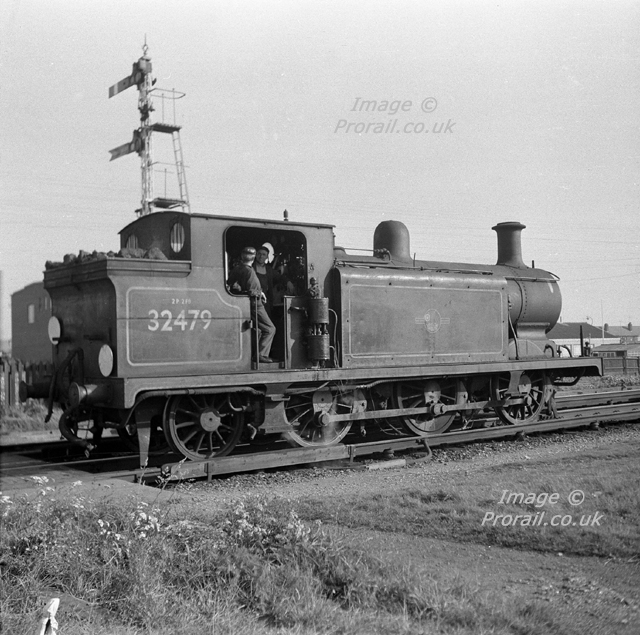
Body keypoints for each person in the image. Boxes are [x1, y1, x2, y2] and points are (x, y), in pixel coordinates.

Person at [227, 247, 276, 363]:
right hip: (256, 304)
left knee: (258, 330)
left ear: (242, 256)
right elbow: (252, 291)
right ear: (254, 258)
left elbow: (230, 284)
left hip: (247, 304)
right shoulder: (249, 271)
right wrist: (260, 293)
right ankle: (261, 355)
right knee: (270, 329)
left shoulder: (237, 269)